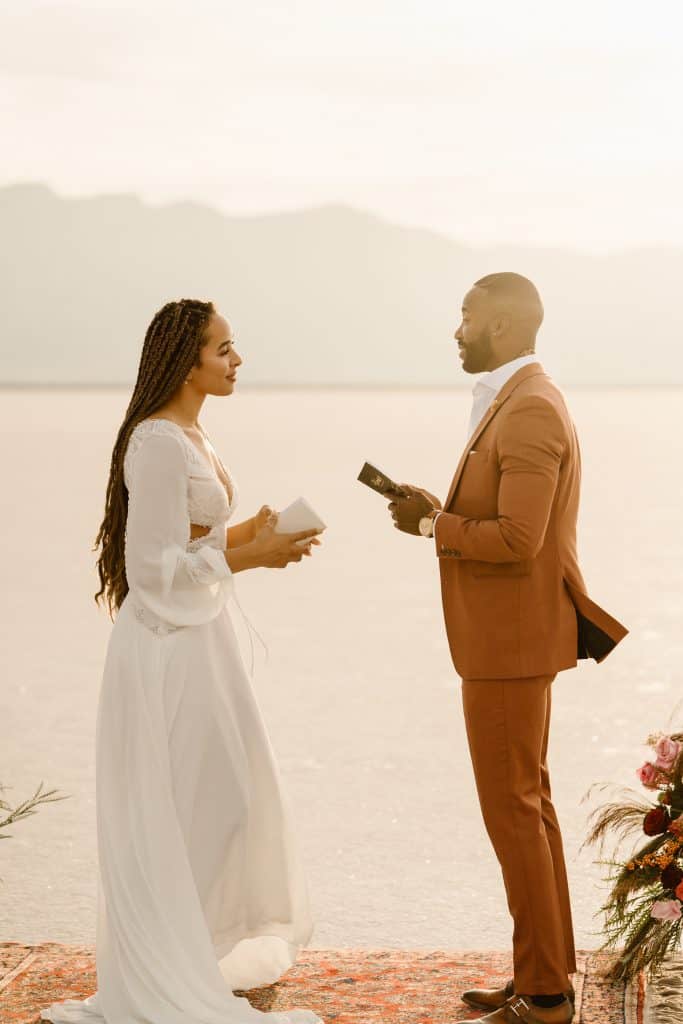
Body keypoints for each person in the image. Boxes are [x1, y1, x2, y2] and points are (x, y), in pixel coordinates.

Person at [40, 298, 324, 1024]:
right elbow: (154, 568)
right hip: (164, 647)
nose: (236, 360)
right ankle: (164, 964)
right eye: (223, 349)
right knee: (186, 805)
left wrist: (249, 533)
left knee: (227, 797)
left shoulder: (194, 434)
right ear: (185, 360)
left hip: (203, 639)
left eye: (234, 348)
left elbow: (193, 541)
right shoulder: (157, 442)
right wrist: (252, 557)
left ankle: (196, 945)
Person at [386, 273, 628, 1024]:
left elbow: (519, 540)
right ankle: (541, 973)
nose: (454, 331)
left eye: (463, 317)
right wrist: (441, 512)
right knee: (529, 810)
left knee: (514, 813)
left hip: (508, 647)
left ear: (497, 324)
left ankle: (547, 996)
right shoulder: (521, 400)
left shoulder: (526, 408)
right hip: (511, 641)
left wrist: (432, 527)